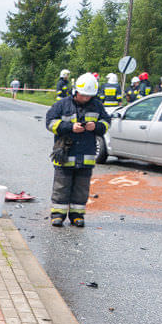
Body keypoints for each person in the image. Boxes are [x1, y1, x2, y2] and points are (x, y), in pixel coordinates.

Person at [45, 72, 110, 227]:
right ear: (76, 92)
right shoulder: (62, 105)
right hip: (65, 154)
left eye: (89, 96)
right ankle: (58, 215)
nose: (86, 99)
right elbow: (50, 122)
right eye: (83, 95)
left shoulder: (97, 105)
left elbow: (106, 122)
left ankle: (77, 215)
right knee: (61, 186)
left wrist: (97, 126)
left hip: (86, 155)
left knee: (81, 188)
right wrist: (70, 127)